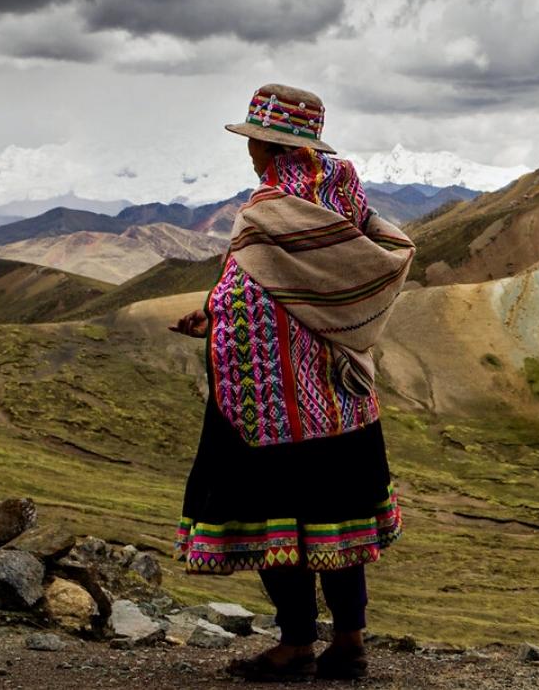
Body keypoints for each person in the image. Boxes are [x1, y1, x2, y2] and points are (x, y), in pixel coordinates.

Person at [169, 83, 414, 682]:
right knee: (340, 524)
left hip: (271, 412)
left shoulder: (269, 212)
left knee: (278, 525)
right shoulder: (345, 201)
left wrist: (215, 318)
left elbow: (253, 305)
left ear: (266, 145)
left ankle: (297, 645)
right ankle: (350, 641)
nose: (249, 153)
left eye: (253, 141)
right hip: (345, 402)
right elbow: (350, 277)